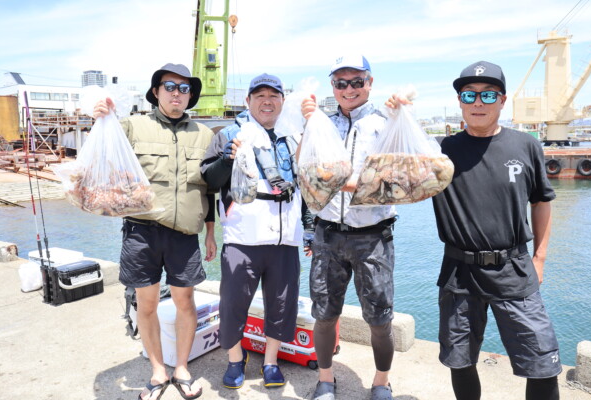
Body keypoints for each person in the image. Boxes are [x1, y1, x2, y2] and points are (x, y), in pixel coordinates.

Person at [431, 60, 561, 400]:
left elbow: (542, 201)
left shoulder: (525, 145)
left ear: (503, 101)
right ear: (459, 101)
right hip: (459, 271)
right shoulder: (441, 152)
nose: (478, 103)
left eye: (488, 95)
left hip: (515, 268)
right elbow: (394, 169)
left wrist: (540, 258)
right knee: (459, 360)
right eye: (469, 95)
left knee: (543, 365)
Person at [94, 63, 217, 400]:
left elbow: (210, 190)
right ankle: (158, 370)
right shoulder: (132, 125)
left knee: (185, 301)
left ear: (190, 95)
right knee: (146, 304)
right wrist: (101, 115)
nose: (177, 92)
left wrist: (210, 233)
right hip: (141, 231)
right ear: (156, 91)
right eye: (170, 86)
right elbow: (105, 152)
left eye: (184, 87)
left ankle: (182, 368)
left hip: (185, 234)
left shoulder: (205, 135)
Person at [301, 55, 407, 400]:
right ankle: (326, 379)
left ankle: (381, 381)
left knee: (379, 318)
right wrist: (308, 120)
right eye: (340, 83)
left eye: (356, 81)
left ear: (369, 83)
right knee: (324, 313)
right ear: (333, 86)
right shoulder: (323, 123)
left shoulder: (386, 121)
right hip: (327, 232)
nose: (348, 89)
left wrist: (349, 182)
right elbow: (305, 170)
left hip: (373, 236)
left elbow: (399, 178)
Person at [200, 73, 314, 389]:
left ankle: (271, 362)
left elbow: (304, 187)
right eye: (259, 95)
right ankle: (236, 359)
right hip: (242, 238)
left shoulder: (293, 137)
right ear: (248, 101)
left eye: (274, 95)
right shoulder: (229, 135)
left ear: (282, 100)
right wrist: (227, 159)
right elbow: (210, 179)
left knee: (282, 303)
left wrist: (309, 229)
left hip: (285, 239)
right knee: (233, 302)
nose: (267, 101)